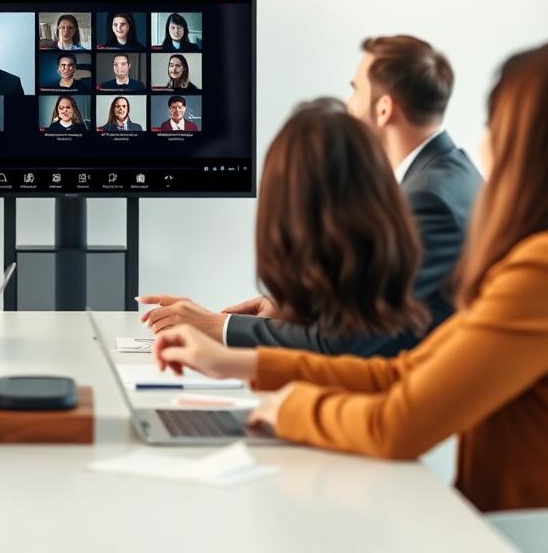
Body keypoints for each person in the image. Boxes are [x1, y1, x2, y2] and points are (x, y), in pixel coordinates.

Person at [152, 43, 548, 512]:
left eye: (492, 123)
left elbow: (396, 423)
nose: (482, 141)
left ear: (520, 141)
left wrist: (289, 408)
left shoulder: (534, 269)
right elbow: (401, 372)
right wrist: (237, 363)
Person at [142, 36, 481, 358]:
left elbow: (354, 338)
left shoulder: (428, 200)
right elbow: (374, 306)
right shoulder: (443, 176)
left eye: (355, 90)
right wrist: (295, 311)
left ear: (383, 109)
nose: (347, 104)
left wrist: (220, 326)